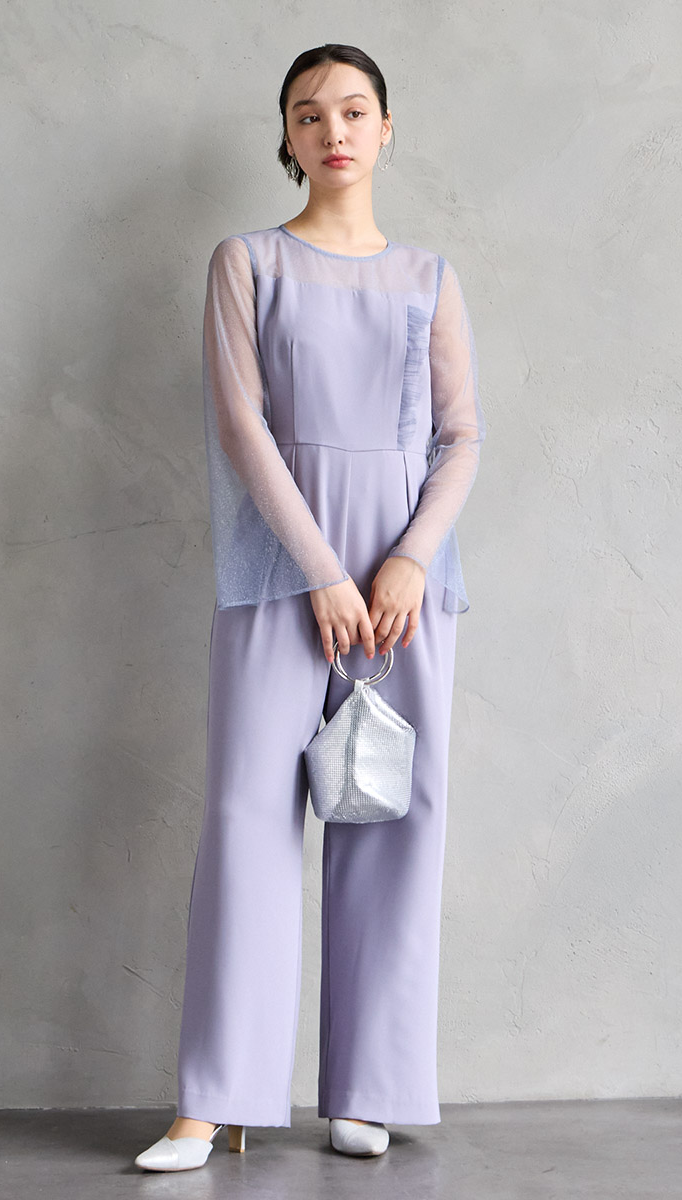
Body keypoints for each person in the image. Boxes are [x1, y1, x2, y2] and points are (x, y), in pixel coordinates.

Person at [135, 42, 485, 1172]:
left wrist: (409, 560)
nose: (333, 129)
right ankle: (215, 1099)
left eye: (353, 109)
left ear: (386, 128)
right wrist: (325, 571)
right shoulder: (247, 263)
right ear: (285, 138)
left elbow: (462, 437)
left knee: (394, 819)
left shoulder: (430, 276)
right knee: (248, 820)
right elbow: (243, 428)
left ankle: (368, 1090)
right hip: (280, 573)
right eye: (307, 113)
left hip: (403, 591)